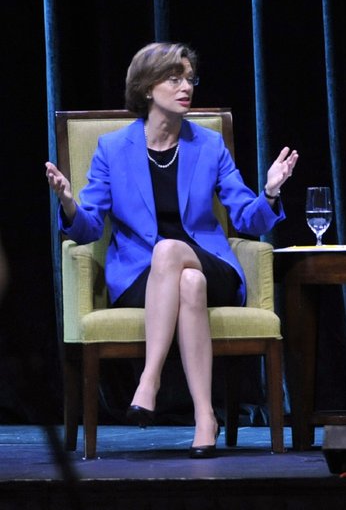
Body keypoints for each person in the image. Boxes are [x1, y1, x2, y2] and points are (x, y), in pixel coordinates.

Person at [45, 42, 299, 459]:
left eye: (189, 79)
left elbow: (248, 220)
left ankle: (150, 378)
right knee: (188, 281)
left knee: (176, 257)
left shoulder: (209, 146)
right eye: (174, 78)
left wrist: (270, 192)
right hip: (140, 278)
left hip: (211, 262)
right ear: (147, 88)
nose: (186, 87)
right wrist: (69, 203)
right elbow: (89, 228)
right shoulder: (113, 149)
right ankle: (205, 416)